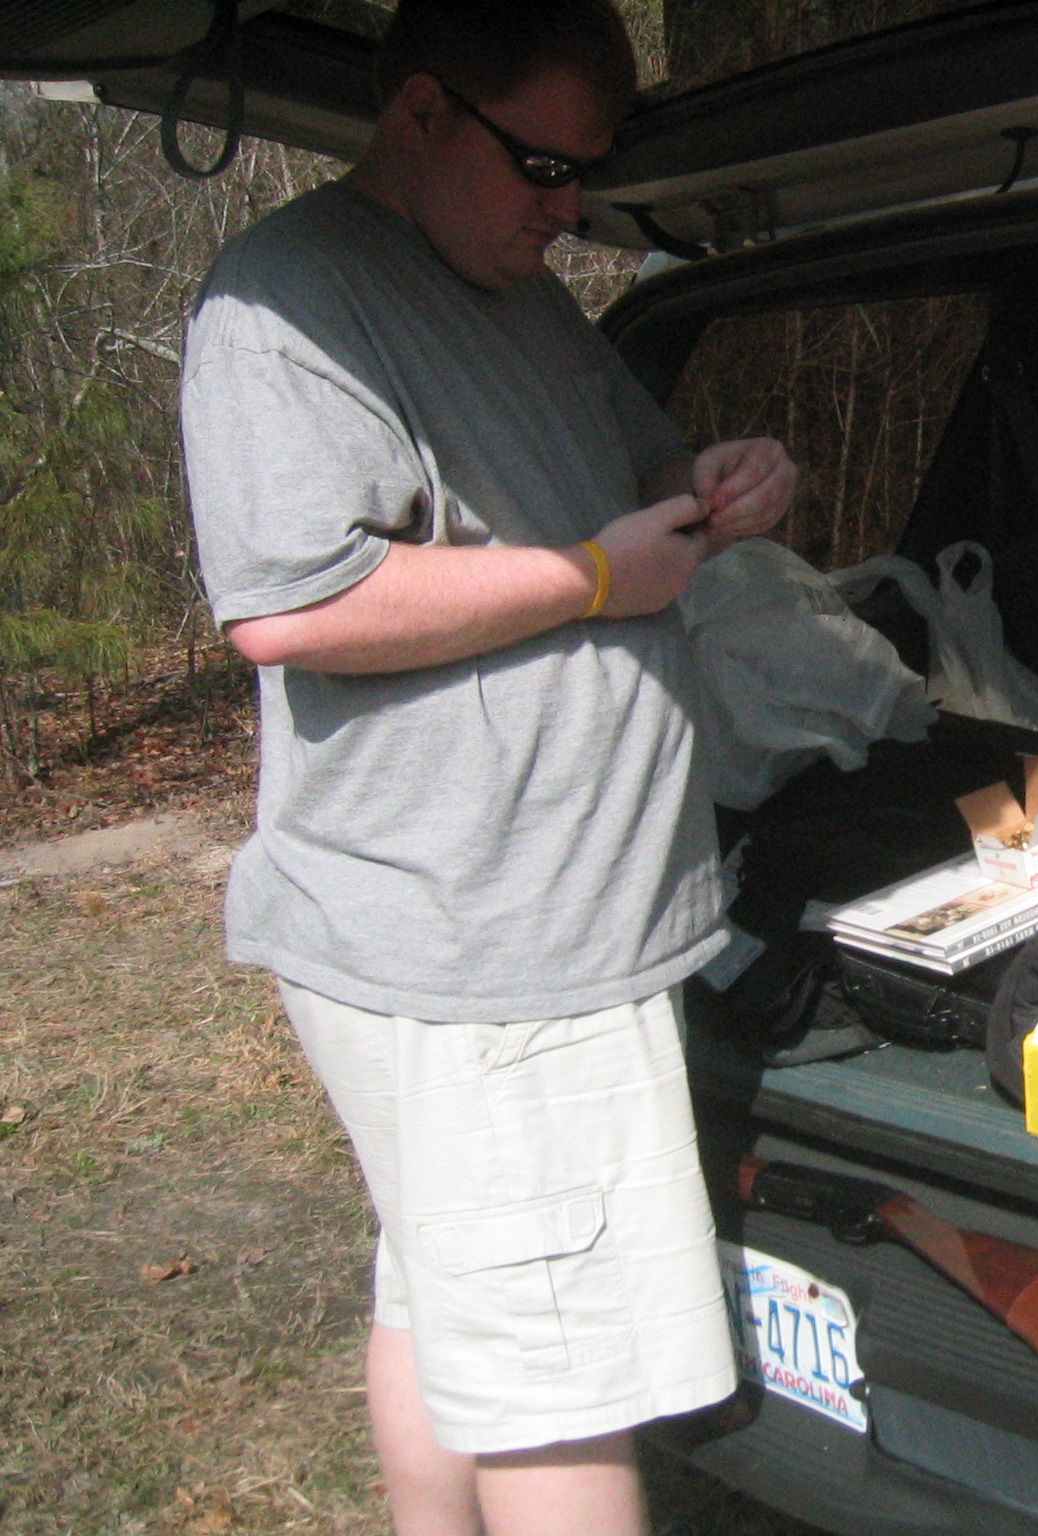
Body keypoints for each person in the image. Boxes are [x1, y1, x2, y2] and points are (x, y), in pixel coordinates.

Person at [177, 1, 796, 1531]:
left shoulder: (516, 293)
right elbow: (294, 605)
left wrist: (713, 480)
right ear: (423, 111)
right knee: (561, 1397)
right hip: (482, 958)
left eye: (587, 171)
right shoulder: (291, 302)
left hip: (530, 939)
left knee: (447, 1296)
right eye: (544, 164)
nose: (569, 209)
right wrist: (591, 579)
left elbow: (634, 461)